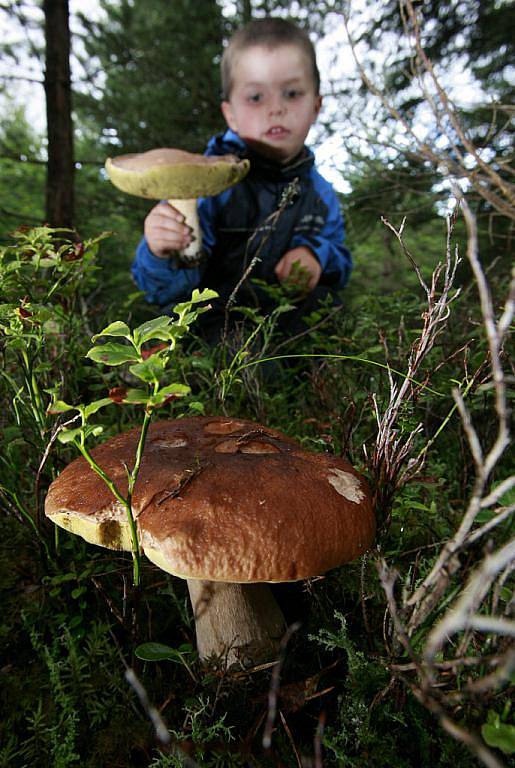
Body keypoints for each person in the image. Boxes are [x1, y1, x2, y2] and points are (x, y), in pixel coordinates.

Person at [132, 17, 352, 342]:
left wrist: (318, 256)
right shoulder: (203, 185)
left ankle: (310, 381)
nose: (275, 108)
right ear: (230, 114)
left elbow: (341, 260)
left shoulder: (320, 194)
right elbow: (165, 292)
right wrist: (159, 251)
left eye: (291, 93)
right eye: (255, 98)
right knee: (176, 328)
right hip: (212, 323)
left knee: (327, 309)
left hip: (282, 325)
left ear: (316, 106)